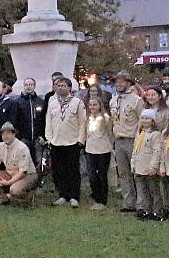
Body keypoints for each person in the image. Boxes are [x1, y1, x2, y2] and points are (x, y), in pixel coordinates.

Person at [46, 77, 87, 208]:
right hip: (56, 143)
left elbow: (83, 122)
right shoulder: (52, 103)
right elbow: (48, 123)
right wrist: (49, 139)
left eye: (63, 85)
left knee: (73, 171)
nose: (61, 87)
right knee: (59, 171)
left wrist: (81, 140)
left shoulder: (77, 103)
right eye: (58, 85)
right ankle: (63, 195)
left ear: (69, 88)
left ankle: (74, 197)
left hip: (72, 142)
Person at [109, 71, 144, 213]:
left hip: (132, 140)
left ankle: (141, 203)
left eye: (122, 81)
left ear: (129, 83)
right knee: (123, 174)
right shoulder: (113, 100)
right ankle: (128, 203)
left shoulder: (136, 100)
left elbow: (142, 121)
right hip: (118, 141)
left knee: (137, 173)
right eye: (116, 82)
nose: (118, 84)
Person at [0, 122, 39, 204]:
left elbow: (23, 172)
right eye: (3, 134)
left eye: (8, 133)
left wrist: (8, 183)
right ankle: (2, 197)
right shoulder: (0, 146)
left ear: (14, 134)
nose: (5, 136)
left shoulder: (22, 148)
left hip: (28, 175)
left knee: (14, 190)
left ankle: (28, 197)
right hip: (10, 174)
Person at [131, 109, 163, 220]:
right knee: (142, 190)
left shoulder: (156, 135)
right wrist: (133, 163)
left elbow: (157, 151)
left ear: (153, 120)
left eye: (147, 118)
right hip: (139, 166)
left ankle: (157, 211)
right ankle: (146, 210)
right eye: (143, 118)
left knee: (153, 190)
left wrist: (153, 166)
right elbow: (135, 149)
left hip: (149, 167)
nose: (145, 120)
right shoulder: (140, 133)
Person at [85, 96, 113, 211]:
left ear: (100, 106)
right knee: (92, 175)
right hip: (90, 150)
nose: (92, 107)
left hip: (103, 150)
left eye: (95, 105)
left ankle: (102, 200)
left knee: (102, 175)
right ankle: (96, 197)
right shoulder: (87, 118)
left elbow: (110, 134)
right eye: (90, 105)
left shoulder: (105, 118)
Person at [16, 78, 46, 170]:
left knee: (39, 161)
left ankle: (39, 182)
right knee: (24, 162)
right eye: (26, 85)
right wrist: (19, 137)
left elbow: (44, 120)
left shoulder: (41, 102)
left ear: (34, 86)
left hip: (38, 138)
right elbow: (15, 121)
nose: (28, 87)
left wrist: (43, 136)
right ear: (23, 86)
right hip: (24, 138)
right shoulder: (17, 102)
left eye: (30, 85)